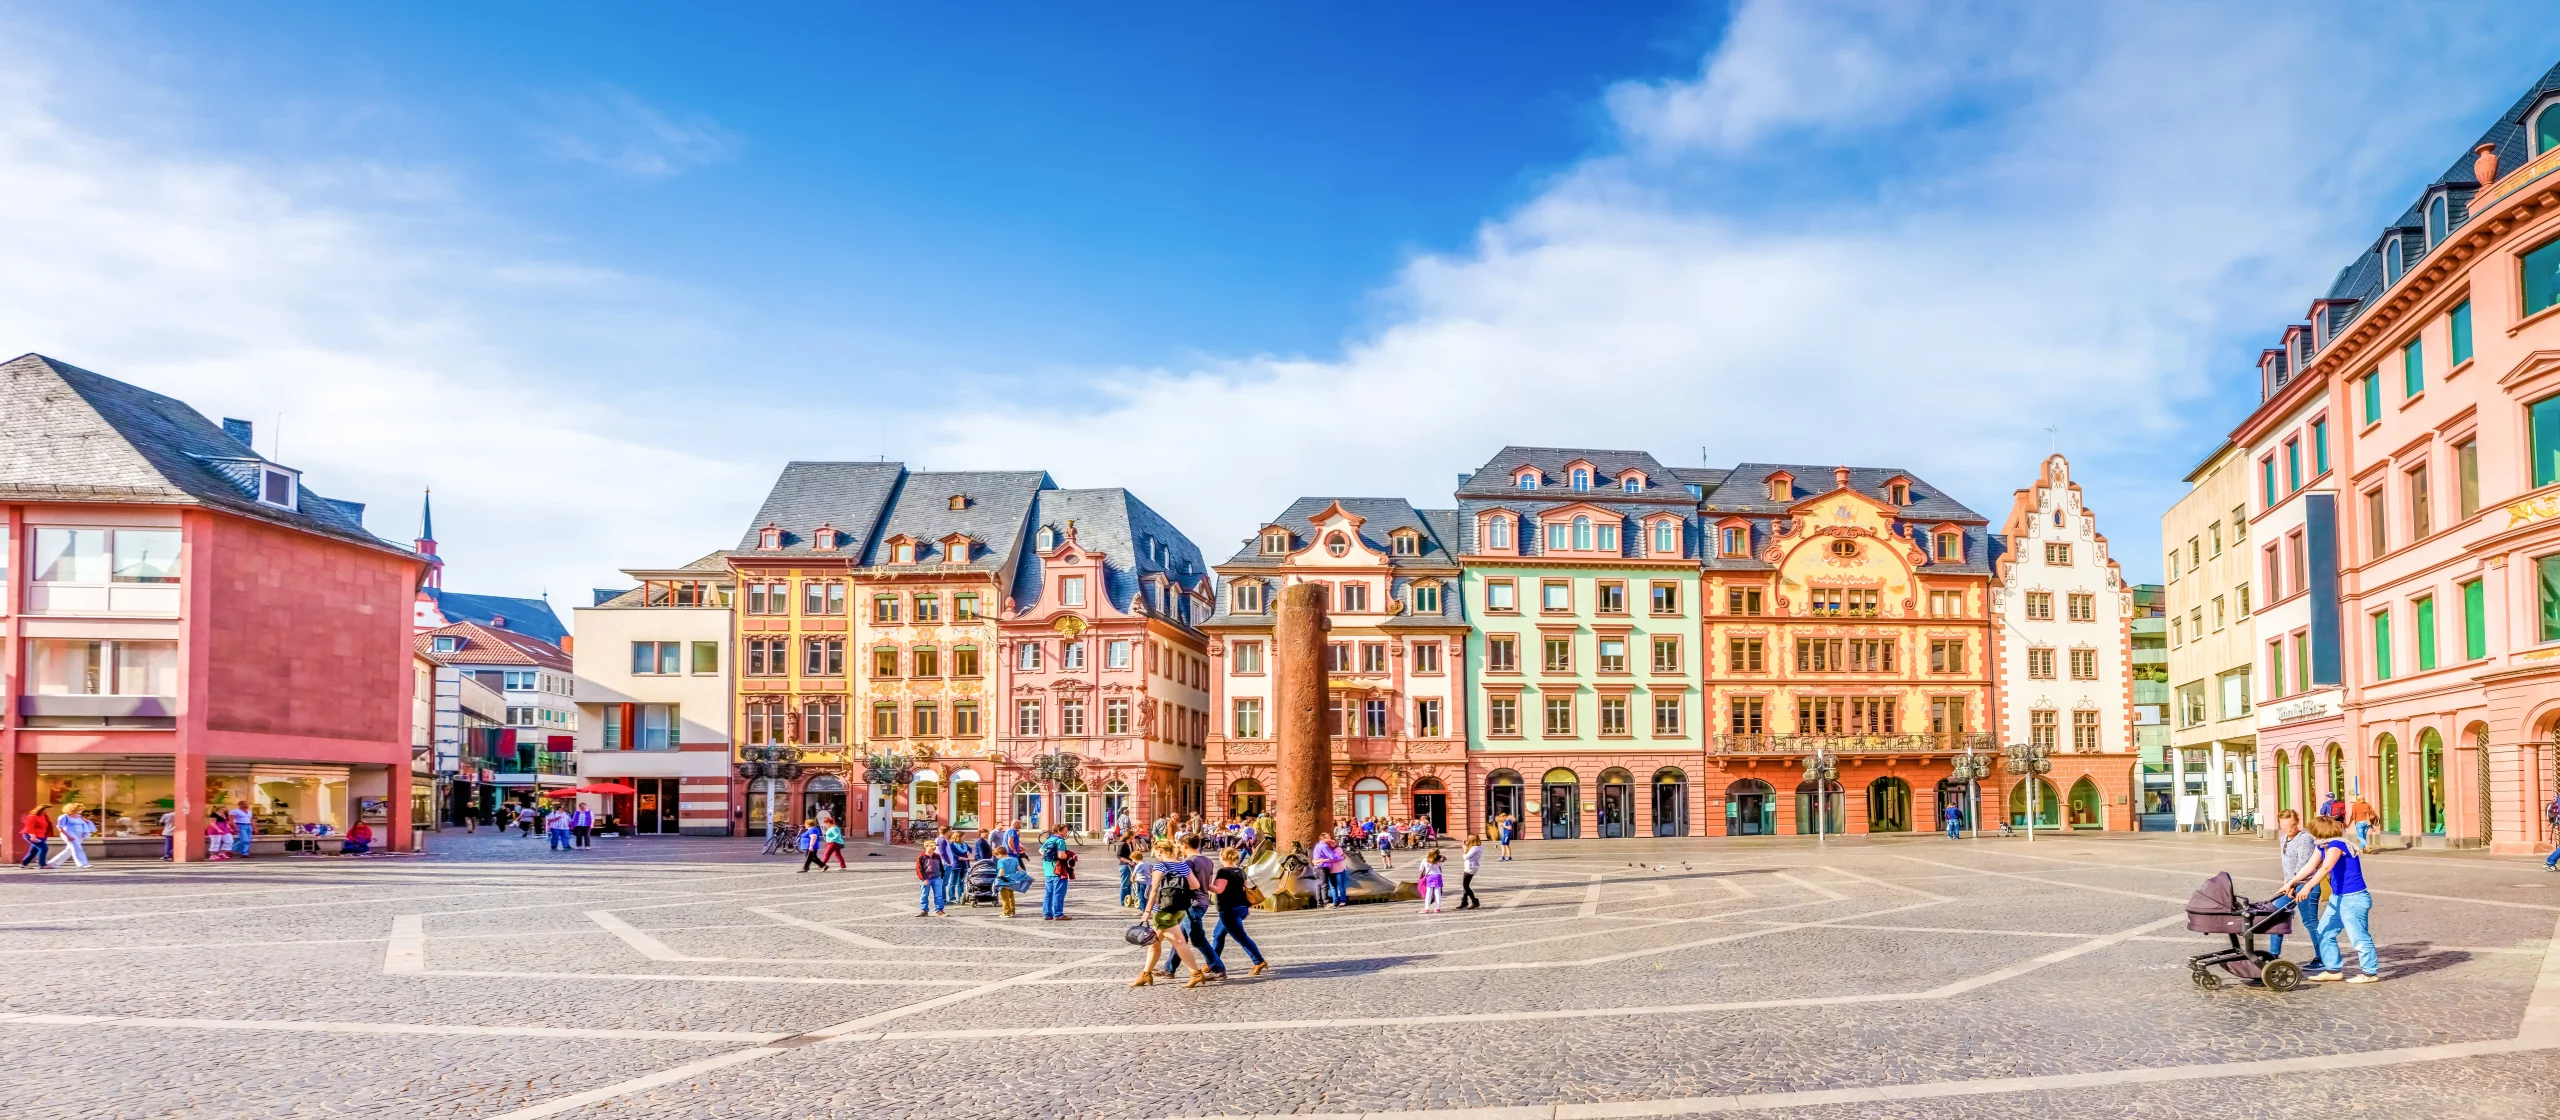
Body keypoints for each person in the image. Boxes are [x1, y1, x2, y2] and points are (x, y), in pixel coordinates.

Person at [2280, 814, 2380, 984]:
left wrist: (2308, 886)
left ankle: (2370, 973)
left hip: (2353, 898)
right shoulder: (2322, 846)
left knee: (2359, 936)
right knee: (2324, 932)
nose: (2311, 835)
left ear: (2319, 831)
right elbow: (2310, 866)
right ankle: (2333, 969)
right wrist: (2290, 883)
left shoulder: (2337, 844)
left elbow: (2326, 867)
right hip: (2337, 897)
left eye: (2313, 832)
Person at [1133, 839, 1210, 988]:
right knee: (1154, 943)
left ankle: (1195, 973)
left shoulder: (1161, 866)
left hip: (1163, 911)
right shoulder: (1182, 865)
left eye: (1155, 852)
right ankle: (1146, 974)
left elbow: (1154, 891)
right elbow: (1196, 885)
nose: (1154, 855)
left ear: (1160, 851)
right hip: (1179, 909)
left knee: (1179, 943)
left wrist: (1146, 912)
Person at [2266, 810, 2317, 962]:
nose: (2289, 829)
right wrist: (2286, 883)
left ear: (2297, 822)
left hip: (2306, 885)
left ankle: (2322, 957)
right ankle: (2273, 955)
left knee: (2310, 922)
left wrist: (2291, 885)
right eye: (2284, 825)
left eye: (2293, 825)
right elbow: (2287, 866)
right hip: (2290, 886)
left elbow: (2303, 864)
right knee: (2274, 914)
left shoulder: (2305, 838)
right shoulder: (2283, 839)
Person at [1208, 847, 1267, 975]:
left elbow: (1218, 890)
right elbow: (1243, 890)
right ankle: (1212, 962)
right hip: (1240, 907)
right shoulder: (1240, 871)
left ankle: (1259, 961)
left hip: (1229, 910)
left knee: (1241, 937)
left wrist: (1205, 884)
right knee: (1218, 935)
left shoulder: (1223, 872)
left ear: (1223, 857)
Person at [1040, 824, 1076, 921]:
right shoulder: (1060, 841)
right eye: (1065, 830)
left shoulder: (1049, 840)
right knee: (1059, 893)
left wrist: (1049, 856)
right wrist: (1069, 856)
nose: (1067, 832)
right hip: (1058, 870)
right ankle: (1058, 914)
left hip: (1048, 870)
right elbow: (1061, 855)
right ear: (1059, 831)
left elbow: (1040, 851)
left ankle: (1047, 914)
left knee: (1048, 893)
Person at [47, 804, 92, 869]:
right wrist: (68, 836)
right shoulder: (64, 817)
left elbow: (84, 824)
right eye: (77, 808)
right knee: (77, 848)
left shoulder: (79, 816)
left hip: (79, 834)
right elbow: (60, 828)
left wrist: (84, 832)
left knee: (69, 850)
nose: (79, 810)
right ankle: (82, 863)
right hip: (69, 833)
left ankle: (53, 863)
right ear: (71, 809)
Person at [1311, 833, 1349, 907]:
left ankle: (1321, 902)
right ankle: (1326, 902)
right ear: (1324, 839)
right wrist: (1341, 858)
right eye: (1328, 838)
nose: (1330, 840)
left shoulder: (1319, 845)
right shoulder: (1325, 847)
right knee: (1325, 885)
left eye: (1332, 840)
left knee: (1321, 885)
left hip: (1336, 869)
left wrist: (1321, 860)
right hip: (1324, 868)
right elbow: (1333, 858)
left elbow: (1333, 858)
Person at [995, 845, 1029, 918]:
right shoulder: (1014, 859)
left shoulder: (1000, 861)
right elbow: (1019, 869)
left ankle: (1006, 912)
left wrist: (1000, 877)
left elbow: (1001, 870)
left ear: (999, 854)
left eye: (996, 856)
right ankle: (1012, 910)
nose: (996, 858)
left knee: (1005, 898)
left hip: (1004, 881)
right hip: (1012, 881)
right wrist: (1025, 876)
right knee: (1011, 896)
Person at [915, 841, 947, 916]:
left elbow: (941, 866)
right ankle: (924, 910)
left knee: (939, 895)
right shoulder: (921, 857)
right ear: (926, 846)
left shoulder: (937, 856)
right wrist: (923, 879)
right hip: (926, 879)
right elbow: (919, 869)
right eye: (932, 846)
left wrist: (942, 875)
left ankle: (939, 910)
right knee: (924, 895)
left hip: (937, 878)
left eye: (935, 846)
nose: (934, 847)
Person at [1115, 830, 1142, 908]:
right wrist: (1128, 861)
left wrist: (1133, 844)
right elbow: (1119, 856)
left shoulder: (1130, 844)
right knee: (1125, 883)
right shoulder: (1123, 845)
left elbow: (1134, 854)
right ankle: (1123, 900)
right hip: (1124, 866)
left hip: (1131, 865)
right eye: (1133, 835)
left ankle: (1128, 898)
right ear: (1130, 836)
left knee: (1130, 883)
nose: (1134, 836)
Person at [1456, 836, 1484, 909]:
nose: (1467, 841)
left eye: (1468, 840)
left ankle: (1475, 901)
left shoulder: (1474, 848)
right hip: (1472, 866)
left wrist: (1465, 849)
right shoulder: (1479, 847)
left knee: (1466, 886)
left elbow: (1465, 857)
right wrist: (1467, 846)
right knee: (1466, 885)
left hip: (1470, 867)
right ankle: (1464, 902)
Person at [1417, 848, 1445, 913]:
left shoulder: (1425, 860)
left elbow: (1420, 869)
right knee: (1437, 893)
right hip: (1438, 876)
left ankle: (1426, 908)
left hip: (1430, 877)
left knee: (1428, 893)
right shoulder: (1438, 860)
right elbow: (1441, 867)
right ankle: (1437, 908)